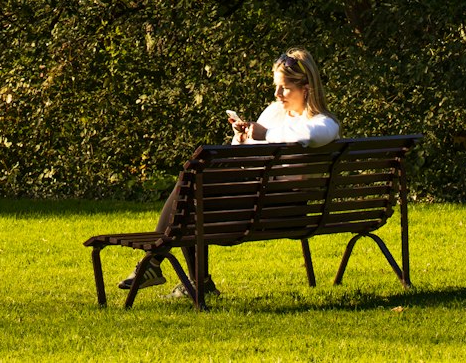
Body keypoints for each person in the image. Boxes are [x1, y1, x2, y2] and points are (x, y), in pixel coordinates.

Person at [119, 47, 339, 298]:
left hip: (285, 209)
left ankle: (158, 264)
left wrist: (264, 134)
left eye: (285, 88)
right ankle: (187, 278)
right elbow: (252, 155)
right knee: (193, 183)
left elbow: (309, 136)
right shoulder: (275, 113)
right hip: (260, 202)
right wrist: (242, 139)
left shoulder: (322, 122)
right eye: (276, 86)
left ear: (307, 88)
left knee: (192, 188)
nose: (277, 94)